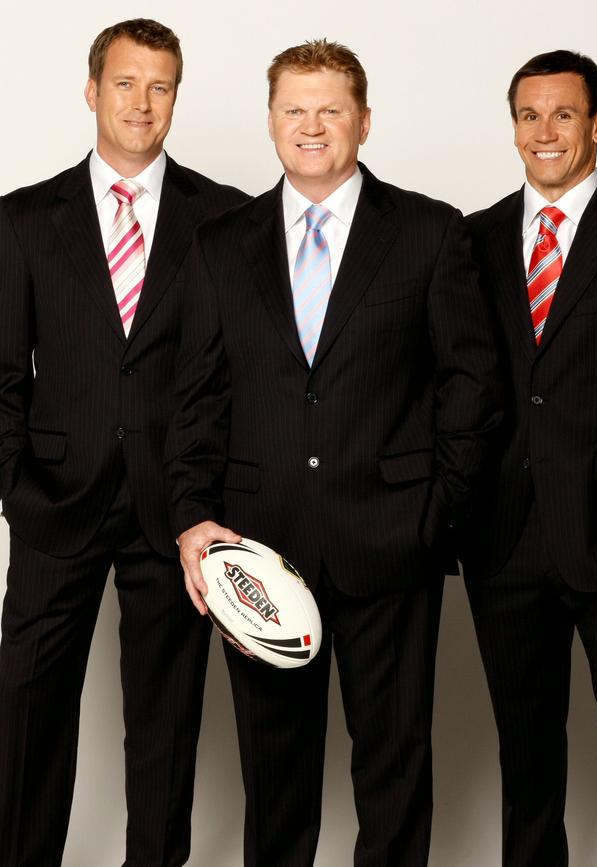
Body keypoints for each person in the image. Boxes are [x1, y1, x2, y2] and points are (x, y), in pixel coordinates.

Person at [167, 38, 502, 867]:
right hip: (260, 557)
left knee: (393, 773)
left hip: (393, 546)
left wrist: (436, 516)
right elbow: (197, 397)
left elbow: (473, 385)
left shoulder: (430, 232)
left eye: (330, 110)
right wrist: (193, 522)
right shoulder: (221, 241)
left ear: (363, 121)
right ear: (271, 121)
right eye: (294, 110)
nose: (311, 126)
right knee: (273, 783)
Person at [0, 18, 247, 867]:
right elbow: (2, 375)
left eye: (161, 86)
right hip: (53, 503)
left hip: (174, 512)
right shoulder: (24, 219)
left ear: (177, 94)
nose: (143, 103)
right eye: (126, 84)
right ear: (92, 90)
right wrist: (18, 488)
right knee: (27, 717)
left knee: (167, 725)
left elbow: (235, 378)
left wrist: (208, 503)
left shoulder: (225, 220)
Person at [462, 50, 597, 867]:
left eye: (564, 115)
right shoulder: (469, 241)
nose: (545, 132)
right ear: (513, 128)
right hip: (504, 541)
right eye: (530, 115)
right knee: (526, 761)